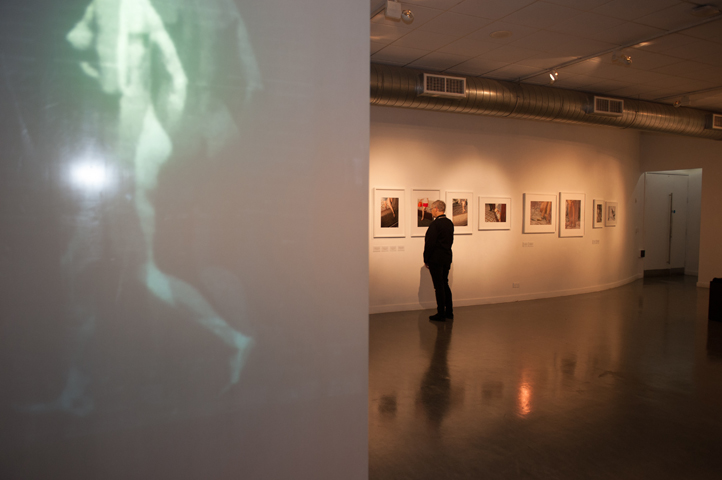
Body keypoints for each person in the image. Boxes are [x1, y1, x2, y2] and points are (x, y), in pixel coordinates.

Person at [424, 200, 454, 321]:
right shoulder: (449, 223)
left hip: (436, 259)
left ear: (436, 209)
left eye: (432, 208)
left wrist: (426, 259)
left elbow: (429, 244)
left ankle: (441, 313)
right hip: (446, 257)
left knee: (439, 286)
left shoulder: (435, 225)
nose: (431, 211)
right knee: (445, 284)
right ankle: (449, 312)